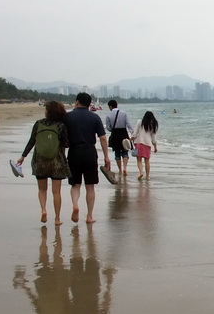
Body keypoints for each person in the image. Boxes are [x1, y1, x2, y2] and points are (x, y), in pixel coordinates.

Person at [16, 101, 71, 225]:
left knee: (42, 189)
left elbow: (31, 141)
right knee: (56, 192)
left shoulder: (38, 123)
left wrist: (23, 156)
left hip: (39, 161)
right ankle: (57, 219)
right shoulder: (60, 125)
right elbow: (67, 144)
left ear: (48, 111)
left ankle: (44, 210)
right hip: (57, 162)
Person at [66, 91, 111, 224]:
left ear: (77, 102)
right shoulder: (95, 117)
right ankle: (89, 216)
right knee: (90, 186)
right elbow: (103, 138)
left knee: (75, 184)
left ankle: (75, 205)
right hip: (90, 152)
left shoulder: (67, 117)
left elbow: (62, 136)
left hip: (74, 151)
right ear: (89, 104)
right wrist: (106, 157)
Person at [105, 99, 133, 176]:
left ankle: (120, 170)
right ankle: (125, 168)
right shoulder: (124, 113)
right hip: (124, 133)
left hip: (115, 134)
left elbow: (108, 127)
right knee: (125, 151)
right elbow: (129, 124)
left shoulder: (109, 115)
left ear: (110, 106)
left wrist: (113, 130)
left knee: (117, 153)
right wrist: (132, 134)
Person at [131, 111, 159, 181]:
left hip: (138, 143)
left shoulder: (140, 122)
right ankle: (147, 176)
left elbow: (135, 133)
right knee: (147, 161)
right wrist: (155, 146)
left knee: (139, 160)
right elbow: (153, 137)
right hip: (147, 144)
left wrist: (131, 138)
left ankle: (141, 172)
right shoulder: (153, 124)